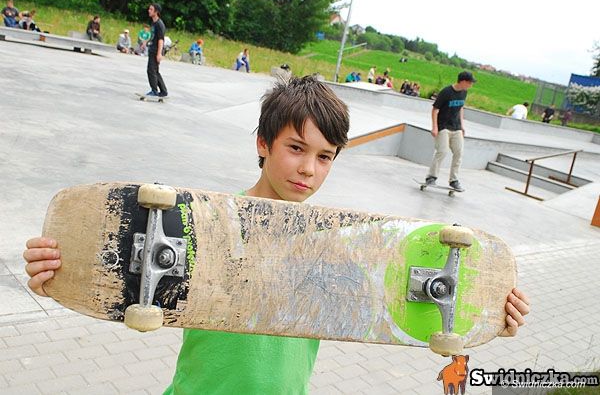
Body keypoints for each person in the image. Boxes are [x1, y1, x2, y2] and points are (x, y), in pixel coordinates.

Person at [24, 75, 530, 394]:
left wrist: (487, 312)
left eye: (325, 156)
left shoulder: (336, 246)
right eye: (296, 148)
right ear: (263, 144)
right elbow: (123, 270)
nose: (308, 169)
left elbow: (405, 299)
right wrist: (58, 271)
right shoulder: (207, 226)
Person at [424, 71, 476, 191]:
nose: (471, 85)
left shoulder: (464, 92)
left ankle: (454, 180)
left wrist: (462, 125)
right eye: (470, 83)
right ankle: (431, 177)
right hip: (443, 126)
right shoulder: (446, 92)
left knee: (459, 152)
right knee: (442, 151)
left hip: (456, 127)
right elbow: (435, 110)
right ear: (463, 81)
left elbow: (461, 108)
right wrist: (434, 127)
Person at [145, 3, 167, 98]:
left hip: (156, 50)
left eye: (151, 9)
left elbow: (161, 39)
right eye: (149, 9)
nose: (149, 11)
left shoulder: (159, 24)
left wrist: (159, 53)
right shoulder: (153, 23)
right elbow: (154, 36)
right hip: (152, 48)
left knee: (151, 70)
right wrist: (146, 42)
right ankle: (163, 91)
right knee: (155, 71)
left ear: (156, 12)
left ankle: (154, 90)